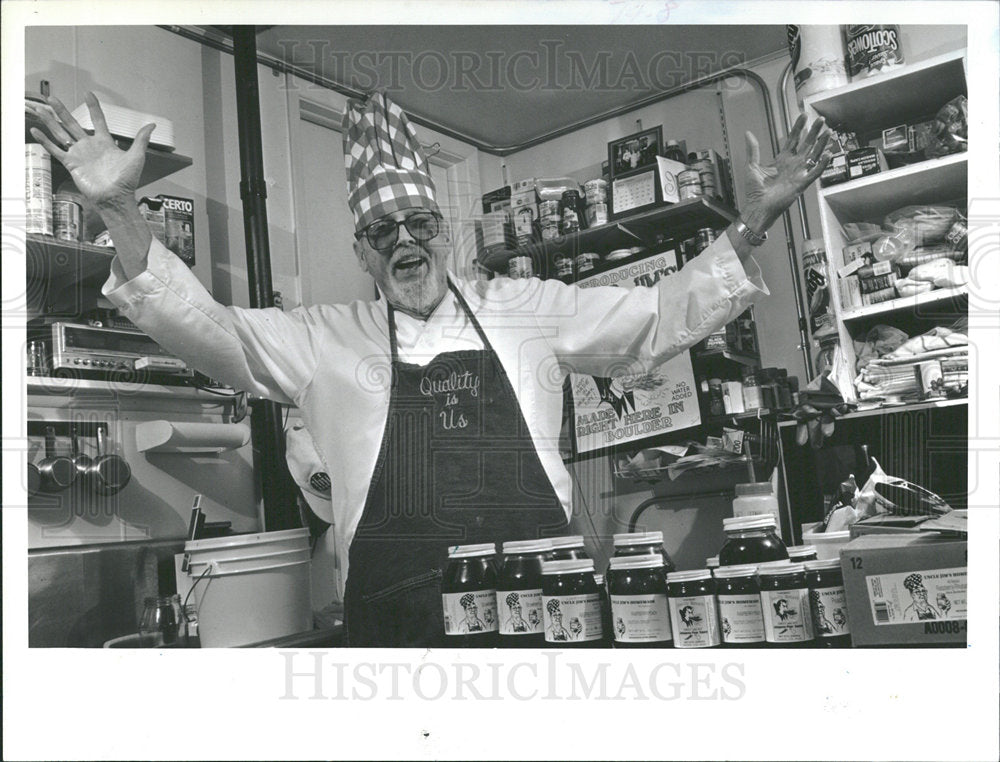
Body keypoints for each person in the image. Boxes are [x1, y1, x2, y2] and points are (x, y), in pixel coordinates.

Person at [27, 90, 830, 648]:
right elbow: (209, 330)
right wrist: (120, 210)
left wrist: (753, 223)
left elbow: (654, 321)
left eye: (417, 223)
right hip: (397, 631)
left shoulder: (527, 306)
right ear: (360, 250)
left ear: (444, 229)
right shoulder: (322, 339)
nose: (404, 243)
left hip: (543, 616)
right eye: (383, 232)